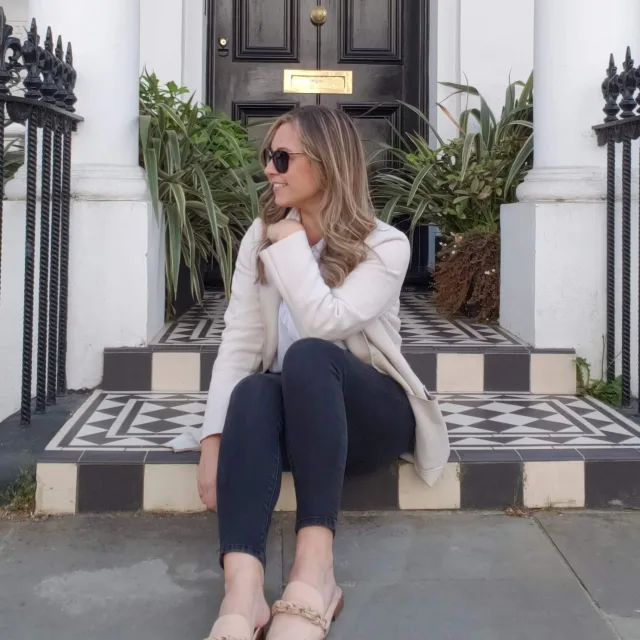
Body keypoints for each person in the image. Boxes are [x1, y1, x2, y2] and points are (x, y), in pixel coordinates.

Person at [197, 105, 450, 640]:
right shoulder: (259, 238)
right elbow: (240, 342)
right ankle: (243, 592)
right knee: (255, 389)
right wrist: (213, 439)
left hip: (369, 417)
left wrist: (290, 246)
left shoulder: (385, 244)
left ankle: (316, 572)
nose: (270, 169)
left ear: (329, 164)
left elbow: (323, 323)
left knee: (309, 356)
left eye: (283, 157)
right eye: (269, 156)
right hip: (301, 421)